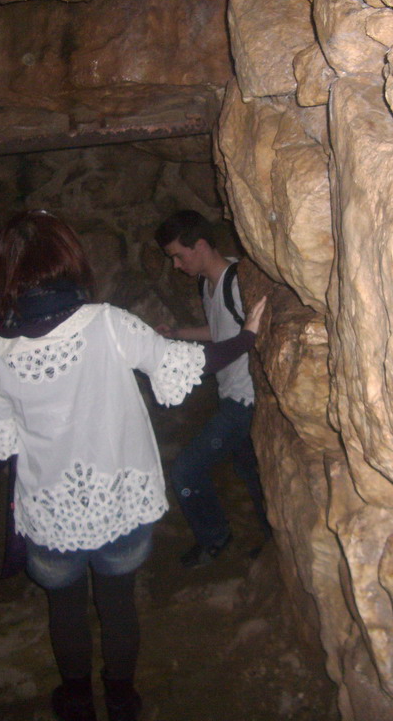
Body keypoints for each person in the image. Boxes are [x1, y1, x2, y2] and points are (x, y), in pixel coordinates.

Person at [0, 209, 265, 721]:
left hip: (50, 512)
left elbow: (1, 443)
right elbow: (181, 361)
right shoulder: (106, 324)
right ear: (69, 260)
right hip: (119, 506)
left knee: (63, 610)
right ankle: (123, 699)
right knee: (117, 603)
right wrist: (246, 340)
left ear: (7, 274)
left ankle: (78, 701)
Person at [154, 210, 271, 568]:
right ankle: (272, 537)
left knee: (186, 470)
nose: (176, 265)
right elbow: (221, 333)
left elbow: (252, 336)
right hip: (231, 394)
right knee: (253, 472)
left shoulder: (238, 281)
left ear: (201, 245)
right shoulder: (208, 284)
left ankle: (214, 538)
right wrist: (177, 334)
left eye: (179, 254)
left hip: (244, 400)